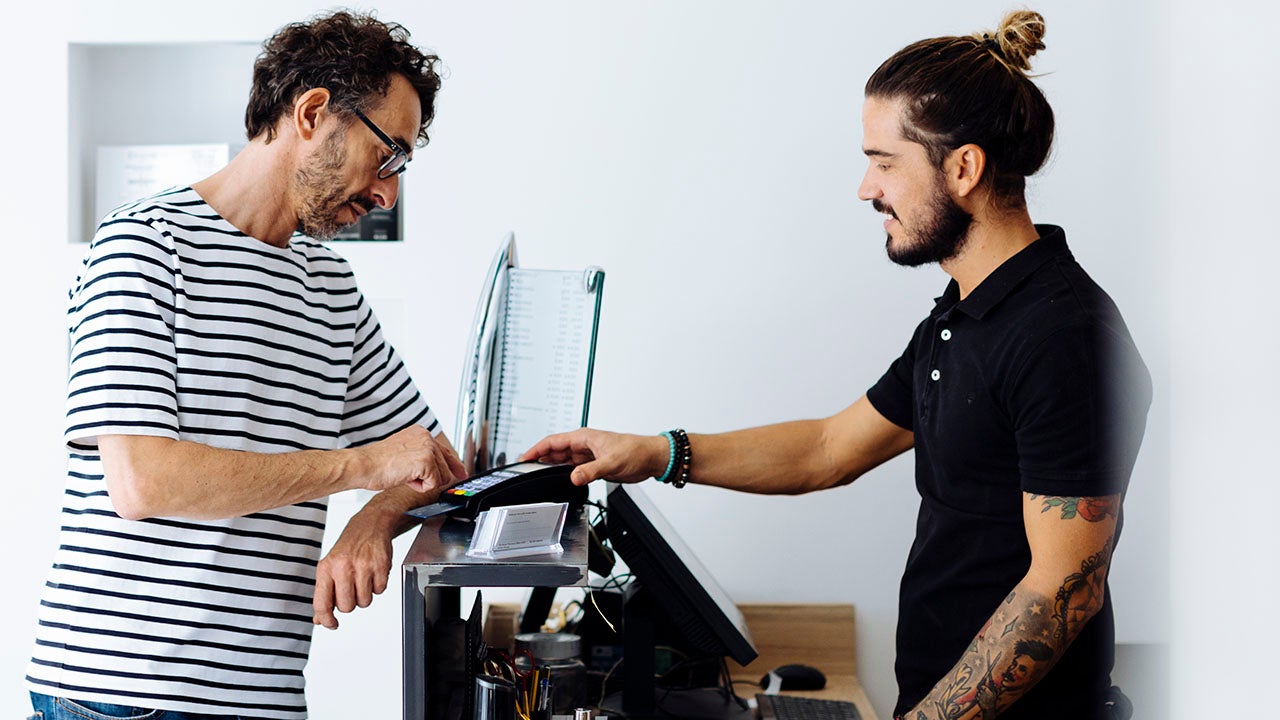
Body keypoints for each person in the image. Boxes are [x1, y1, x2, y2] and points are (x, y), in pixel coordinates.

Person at [522, 10, 1151, 720]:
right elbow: (829, 448)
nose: (865, 188)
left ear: (964, 167)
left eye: (884, 162)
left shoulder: (1063, 335)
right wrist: (654, 452)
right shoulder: (964, 315)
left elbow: (1063, 588)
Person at [26, 11, 467, 720]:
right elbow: (143, 480)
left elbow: (430, 460)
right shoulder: (143, 248)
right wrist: (359, 467)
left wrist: (374, 520)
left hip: (263, 698)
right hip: (119, 697)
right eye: (388, 156)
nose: (388, 192)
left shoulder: (329, 286)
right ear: (315, 112)